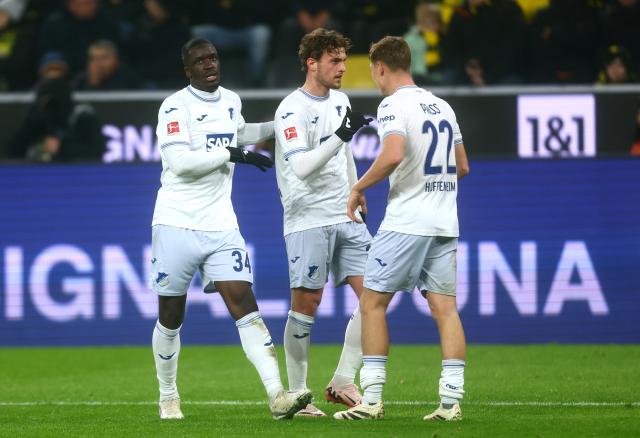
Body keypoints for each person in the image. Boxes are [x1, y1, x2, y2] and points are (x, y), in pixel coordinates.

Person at [150, 37, 312, 420]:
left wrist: (283, 123)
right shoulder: (175, 106)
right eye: (201, 60)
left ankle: (278, 395)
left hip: (222, 224)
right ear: (188, 69)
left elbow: (239, 134)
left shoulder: (231, 101)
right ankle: (168, 395)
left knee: (244, 302)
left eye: (214, 58)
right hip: (176, 222)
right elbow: (180, 162)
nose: (210, 64)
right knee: (171, 315)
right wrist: (229, 154)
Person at [334, 36, 470, 421]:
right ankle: (450, 402)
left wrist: (359, 186)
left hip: (407, 222)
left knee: (372, 303)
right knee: (445, 309)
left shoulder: (392, 105)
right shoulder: (442, 107)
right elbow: (462, 167)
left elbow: (393, 154)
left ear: (380, 67)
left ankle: (372, 399)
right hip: (445, 221)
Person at [273, 28, 373, 417]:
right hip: (307, 217)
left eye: (344, 60)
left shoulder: (342, 99)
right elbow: (301, 167)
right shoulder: (290, 109)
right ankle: (298, 394)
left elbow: (344, 154)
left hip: (344, 213)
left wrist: (357, 189)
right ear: (311, 62)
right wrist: (339, 134)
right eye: (335, 60)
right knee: (306, 304)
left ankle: (344, 380)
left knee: (376, 297)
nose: (342, 68)